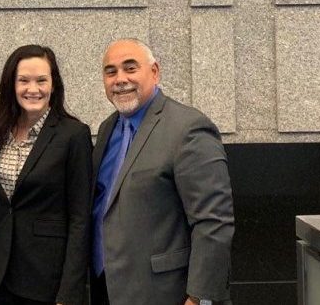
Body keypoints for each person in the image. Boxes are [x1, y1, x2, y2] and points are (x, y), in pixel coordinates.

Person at [90, 38, 234, 305]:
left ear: (154, 72)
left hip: (165, 293)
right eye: (111, 72)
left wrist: (199, 298)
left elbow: (214, 222)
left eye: (130, 68)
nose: (120, 78)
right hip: (107, 288)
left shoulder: (188, 128)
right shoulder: (108, 128)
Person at [0, 44, 93, 305]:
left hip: (46, 280)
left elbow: (80, 218)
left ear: (53, 84)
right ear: (12, 84)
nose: (33, 89)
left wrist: (69, 291)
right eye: (24, 81)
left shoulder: (73, 135)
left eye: (41, 80)